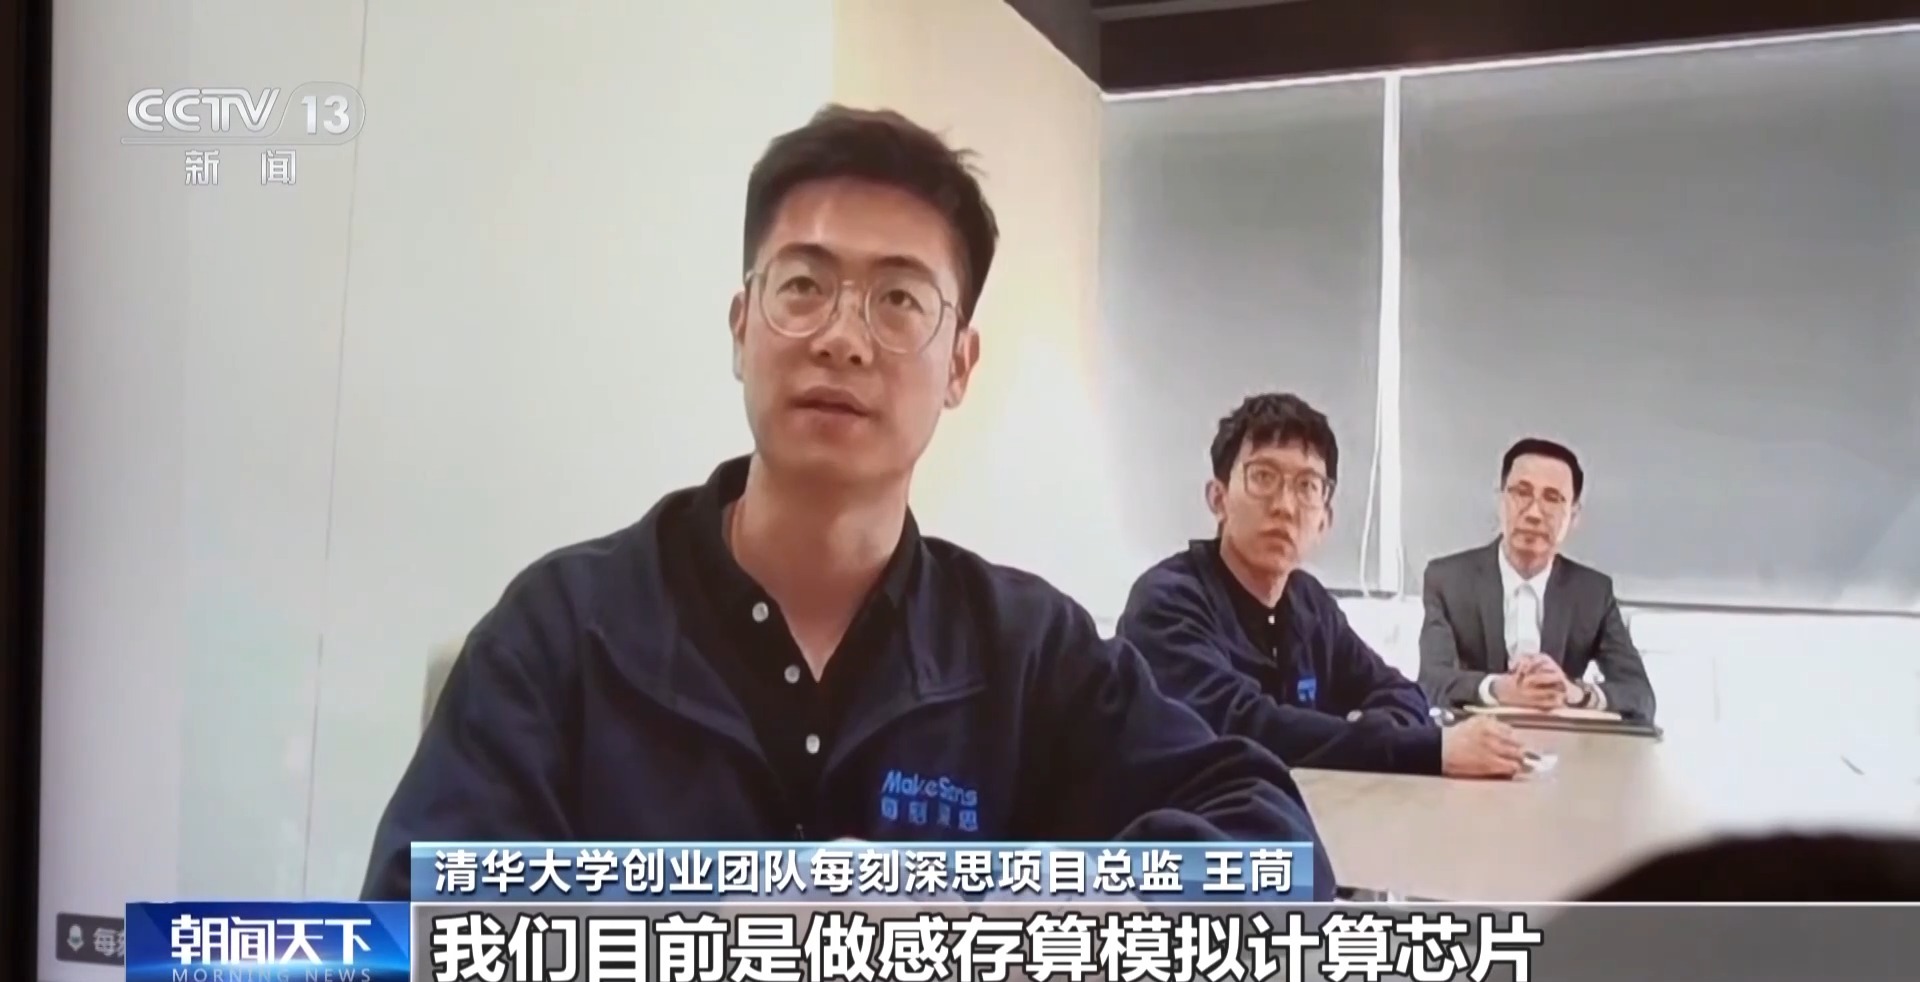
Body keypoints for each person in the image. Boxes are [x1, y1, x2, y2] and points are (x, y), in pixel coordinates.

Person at [360, 106, 1335, 900]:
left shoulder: (1027, 651)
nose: (843, 337)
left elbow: (1273, 849)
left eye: (899, 300)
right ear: (742, 328)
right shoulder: (566, 631)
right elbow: (406, 929)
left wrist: (1000, 914)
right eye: (803, 286)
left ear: (960, 366)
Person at [1119, 393, 1529, 779]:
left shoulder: (1308, 602)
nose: (1285, 506)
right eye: (1263, 477)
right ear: (1218, 498)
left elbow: (1400, 691)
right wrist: (1422, 749)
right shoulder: (1167, 601)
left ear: (1325, 521)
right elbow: (1242, 727)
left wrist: (1378, 735)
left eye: (1307, 486)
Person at [1417, 438, 1657, 721]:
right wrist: (1498, 689)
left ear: (1574, 515)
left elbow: (1640, 696)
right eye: (1522, 493)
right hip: (1475, 737)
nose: (1533, 513)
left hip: (1563, 741)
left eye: (1552, 498)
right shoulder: (1448, 579)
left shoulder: (1593, 592)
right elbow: (1431, 682)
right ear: (1500, 500)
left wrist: (1575, 694)